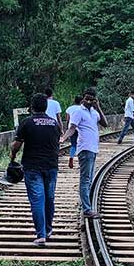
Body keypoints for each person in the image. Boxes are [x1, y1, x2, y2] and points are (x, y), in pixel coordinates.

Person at [8, 94, 62, 245]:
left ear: (32, 107)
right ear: (45, 107)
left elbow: (17, 145)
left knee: (37, 200)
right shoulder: (54, 124)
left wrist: (12, 155)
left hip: (32, 168)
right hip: (51, 166)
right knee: (49, 199)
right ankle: (49, 229)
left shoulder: (26, 123)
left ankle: (41, 235)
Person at [64, 90, 106, 217]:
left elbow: (105, 123)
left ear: (94, 100)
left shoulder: (94, 112)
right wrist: (64, 137)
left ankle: (87, 206)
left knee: (89, 179)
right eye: (86, 99)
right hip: (85, 149)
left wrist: (98, 107)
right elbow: (72, 128)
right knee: (85, 179)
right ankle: (87, 209)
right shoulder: (78, 111)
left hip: (93, 149)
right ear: (83, 99)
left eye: (91, 99)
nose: (88, 101)